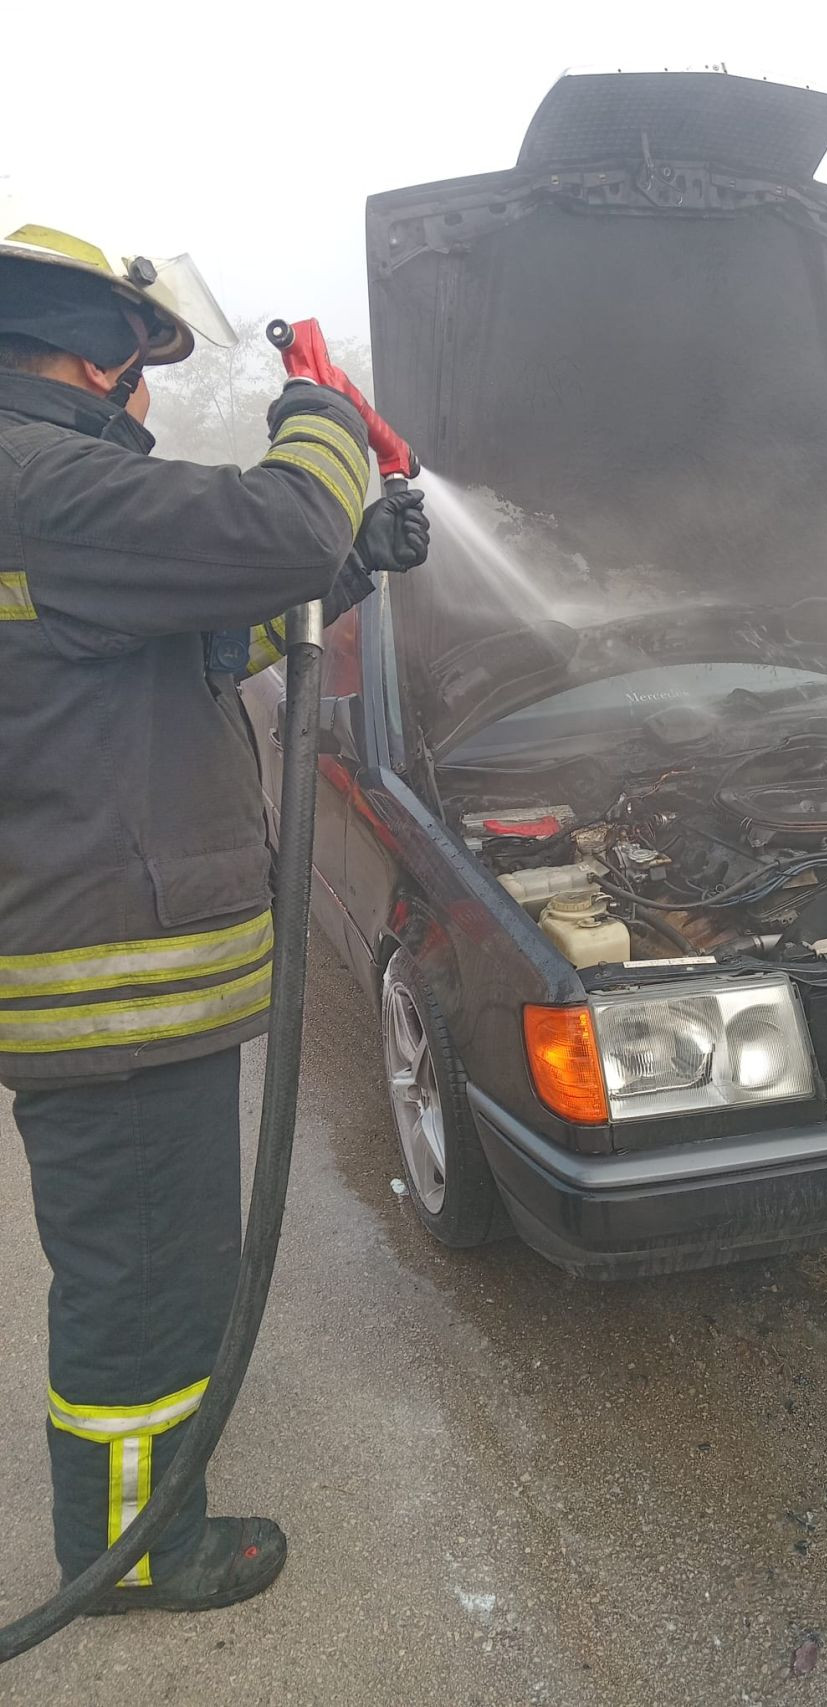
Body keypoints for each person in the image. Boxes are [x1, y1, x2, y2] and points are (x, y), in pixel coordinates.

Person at [0, 217, 429, 1614]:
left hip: (115, 978)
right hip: (106, 993)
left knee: (167, 1265)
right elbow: (280, 521)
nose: (138, 388)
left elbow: (206, 640)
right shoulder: (37, 482)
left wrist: (349, 566)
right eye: (134, 359)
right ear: (92, 349)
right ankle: (133, 1553)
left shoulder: (50, 503)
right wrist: (323, 428)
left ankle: (137, 1516)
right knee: (143, 1284)